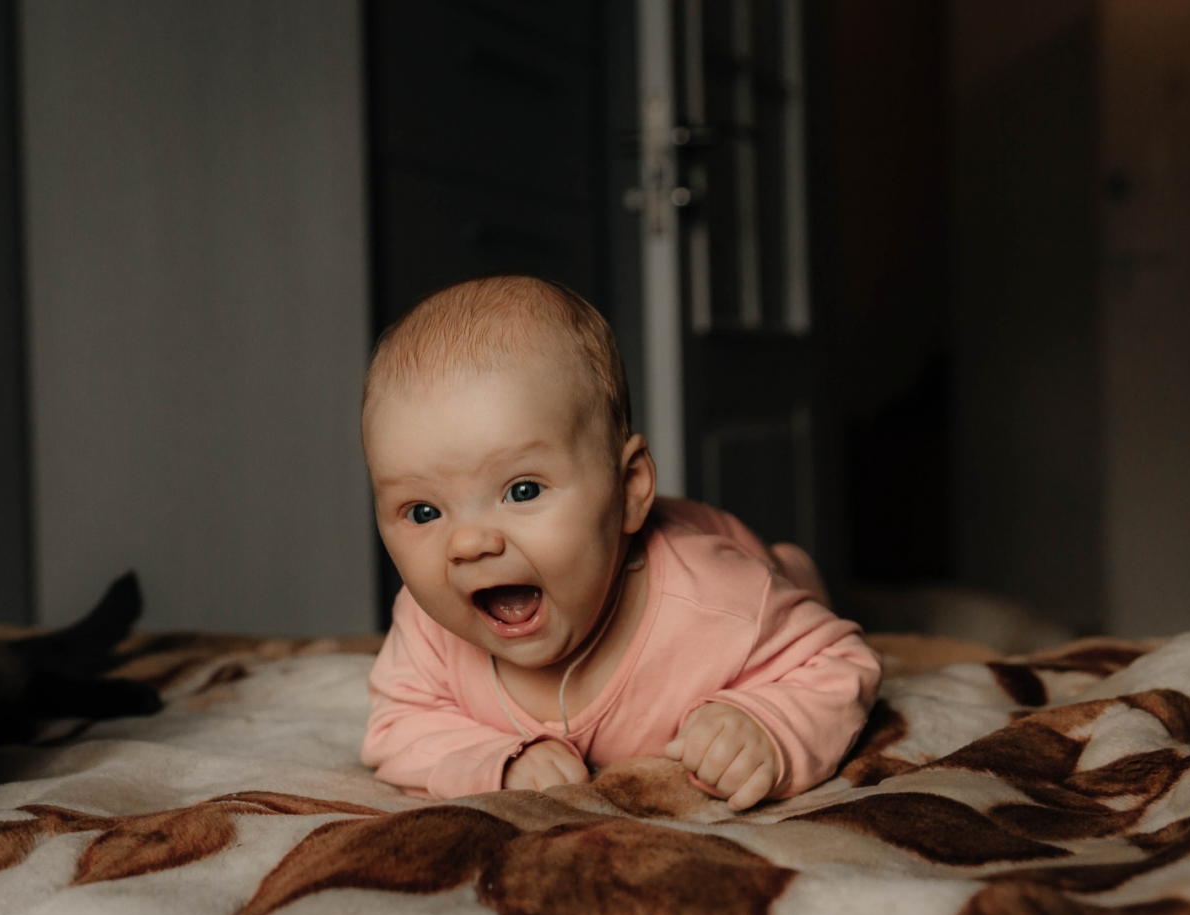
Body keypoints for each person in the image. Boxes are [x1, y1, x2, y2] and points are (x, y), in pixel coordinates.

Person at [360, 276, 880, 810]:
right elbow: (398, 727)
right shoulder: (428, 625)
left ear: (630, 487)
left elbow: (841, 663)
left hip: (739, 558)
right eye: (423, 511)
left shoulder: (719, 602)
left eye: (522, 490)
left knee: (792, 584)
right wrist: (497, 759)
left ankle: (793, 566)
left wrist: (768, 725)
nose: (467, 544)